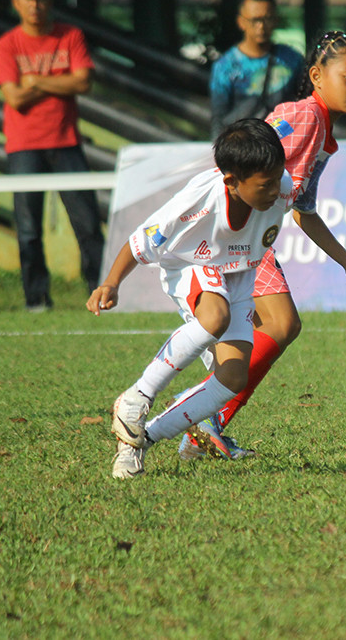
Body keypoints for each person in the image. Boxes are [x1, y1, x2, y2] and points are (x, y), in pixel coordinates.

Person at [178, 30, 346, 461]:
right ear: (316, 76)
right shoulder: (304, 118)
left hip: (249, 234)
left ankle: (204, 425)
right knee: (282, 324)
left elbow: (302, 208)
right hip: (238, 231)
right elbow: (247, 160)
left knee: (277, 328)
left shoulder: (322, 130)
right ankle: (201, 419)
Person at [88, 119, 293, 477]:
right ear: (231, 181)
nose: (276, 189)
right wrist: (111, 283)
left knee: (233, 378)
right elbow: (140, 241)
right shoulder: (197, 202)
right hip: (192, 265)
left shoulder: (281, 186)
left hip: (239, 274)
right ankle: (137, 397)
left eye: (278, 177)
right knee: (215, 317)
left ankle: (139, 440)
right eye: (266, 184)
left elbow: (307, 212)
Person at [0, 0, 104, 311]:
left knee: (86, 222)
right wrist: (60, 81)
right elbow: (14, 97)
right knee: (28, 227)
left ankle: (99, 292)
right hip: (23, 145)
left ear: (51, 1)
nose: (35, 5)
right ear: (16, 3)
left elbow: (83, 82)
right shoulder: (7, 45)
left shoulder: (70, 36)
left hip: (66, 141)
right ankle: (36, 299)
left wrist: (36, 80)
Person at [209, 0, 305, 138]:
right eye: (255, 20)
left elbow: (304, 109)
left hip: (284, 148)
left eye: (267, 19)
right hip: (243, 150)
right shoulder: (225, 66)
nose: (261, 26)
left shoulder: (293, 60)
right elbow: (219, 119)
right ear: (241, 22)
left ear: (275, 20)